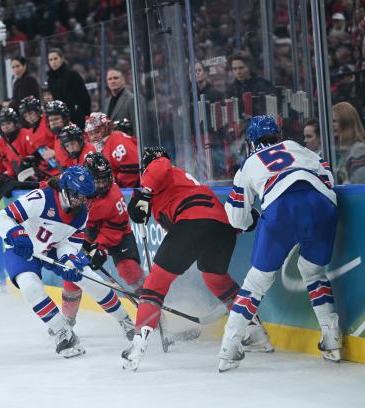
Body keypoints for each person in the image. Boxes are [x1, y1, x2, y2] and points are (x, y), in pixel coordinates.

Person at [122, 146, 272, 371]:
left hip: (192, 221)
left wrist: (144, 192)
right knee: (215, 278)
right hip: (222, 227)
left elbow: (160, 164)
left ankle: (137, 347)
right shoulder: (173, 183)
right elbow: (135, 211)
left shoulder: (162, 170)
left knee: (154, 286)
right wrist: (139, 204)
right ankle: (256, 331)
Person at [218, 115, 340, 372]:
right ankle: (333, 340)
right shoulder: (299, 147)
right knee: (313, 272)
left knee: (256, 282)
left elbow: (237, 219)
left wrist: (253, 215)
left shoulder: (249, 163)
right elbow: (328, 176)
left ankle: (230, 348)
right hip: (321, 204)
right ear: (278, 135)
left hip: (281, 208)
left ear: (252, 141)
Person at [0, 166, 134, 358]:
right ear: (64, 188)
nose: (80, 201)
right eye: (77, 195)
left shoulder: (81, 213)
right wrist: (16, 233)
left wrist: (69, 260)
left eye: (84, 197)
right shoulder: (40, 199)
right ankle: (62, 333)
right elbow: (2, 217)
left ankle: (124, 320)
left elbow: (70, 243)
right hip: (23, 248)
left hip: (52, 249)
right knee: (30, 287)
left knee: (88, 277)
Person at [60, 153, 146, 327]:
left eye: (105, 180)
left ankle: (153, 311)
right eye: (97, 181)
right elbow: (56, 190)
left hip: (118, 234)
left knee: (130, 270)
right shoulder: (75, 183)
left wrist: (100, 248)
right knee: (72, 274)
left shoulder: (114, 197)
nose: (102, 185)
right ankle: (66, 321)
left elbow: (115, 228)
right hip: (85, 233)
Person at [84, 112, 139, 188]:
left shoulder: (117, 139)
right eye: (90, 133)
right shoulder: (102, 145)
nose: (93, 137)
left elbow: (133, 169)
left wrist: (117, 185)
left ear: (106, 128)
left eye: (96, 132)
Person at [46, 48, 91, 129]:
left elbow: (84, 97)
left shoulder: (72, 75)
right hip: (61, 120)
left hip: (77, 118)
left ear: (62, 58)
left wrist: (86, 116)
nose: (53, 62)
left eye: (55, 58)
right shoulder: (50, 80)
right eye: (50, 60)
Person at [226, 51, 277, 118]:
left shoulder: (263, 85)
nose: (238, 72)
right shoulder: (231, 89)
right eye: (234, 69)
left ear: (249, 67)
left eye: (241, 68)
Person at [19, 96, 59, 178]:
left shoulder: (48, 121)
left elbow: (66, 141)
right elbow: (40, 151)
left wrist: (55, 152)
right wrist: (34, 158)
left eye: (31, 113)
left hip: (61, 168)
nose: (29, 118)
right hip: (47, 172)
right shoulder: (30, 132)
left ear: (37, 111)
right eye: (26, 116)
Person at [332, 101, 365, 183]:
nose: (331, 124)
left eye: (334, 121)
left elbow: (359, 185)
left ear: (346, 122)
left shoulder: (359, 150)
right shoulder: (336, 150)